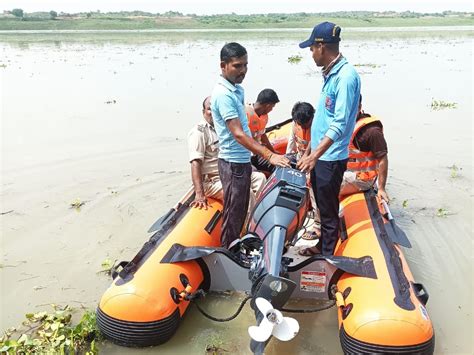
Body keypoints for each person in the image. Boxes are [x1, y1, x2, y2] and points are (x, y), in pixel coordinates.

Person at [210, 42, 290, 250]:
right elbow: (238, 133)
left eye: (245, 65)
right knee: (234, 210)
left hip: (242, 160)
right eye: (237, 66)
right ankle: (228, 251)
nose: (243, 70)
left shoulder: (237, 90)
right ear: (223, 65)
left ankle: (236, 243)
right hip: (233, 161)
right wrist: (269, 155)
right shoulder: (224, 94)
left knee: (241, 207)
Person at [296, 22, 361, 256]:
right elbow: (323, 119)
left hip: (330, 158)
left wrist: (315, 155)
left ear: (321, 47)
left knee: (329, 209)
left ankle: (327, 256)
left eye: (312, 48)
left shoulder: (345, 77)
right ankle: (322, 246)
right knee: (322, 208)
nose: (311, 54)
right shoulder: (331, 74)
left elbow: (340, 123)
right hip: (320, 155)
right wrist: (308, 152)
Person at [187, 96, 266, 212]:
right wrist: (199, 194)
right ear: (203, 111)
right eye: (209, 109)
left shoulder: (222, 128)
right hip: (212, 181)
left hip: (229, 173)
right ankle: (249, 227)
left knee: (260, 178)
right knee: (244, 192)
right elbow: (195, 164)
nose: (213, 112)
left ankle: (259, 213)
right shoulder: (198, 133)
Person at [339, 95, 389, 202]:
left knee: (326, 186)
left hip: (363, 178)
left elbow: (383, 159)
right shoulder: (343, 123)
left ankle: (321, 217)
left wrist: (381, 188)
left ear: (359, 107)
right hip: (347, 172)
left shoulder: (372, 131)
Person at [286, 102, 321, 240]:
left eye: (306, 125)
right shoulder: (295, 125)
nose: (303, 128)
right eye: (301, 125)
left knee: (312, 183)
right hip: (301, 159)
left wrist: (308, 161)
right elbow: (291, 144)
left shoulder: (320, 124)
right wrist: (287, 160)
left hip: (316, 160)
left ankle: (318, 223)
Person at [246, 88, 280, 174]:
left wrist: (273, 152)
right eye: (272, 107)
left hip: (257, 153)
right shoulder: (244, 113)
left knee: (278, 166)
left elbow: (262, 134)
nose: (271, 109)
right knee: (257, 174)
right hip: (244, 155)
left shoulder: (264, 117)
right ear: (268, 105)